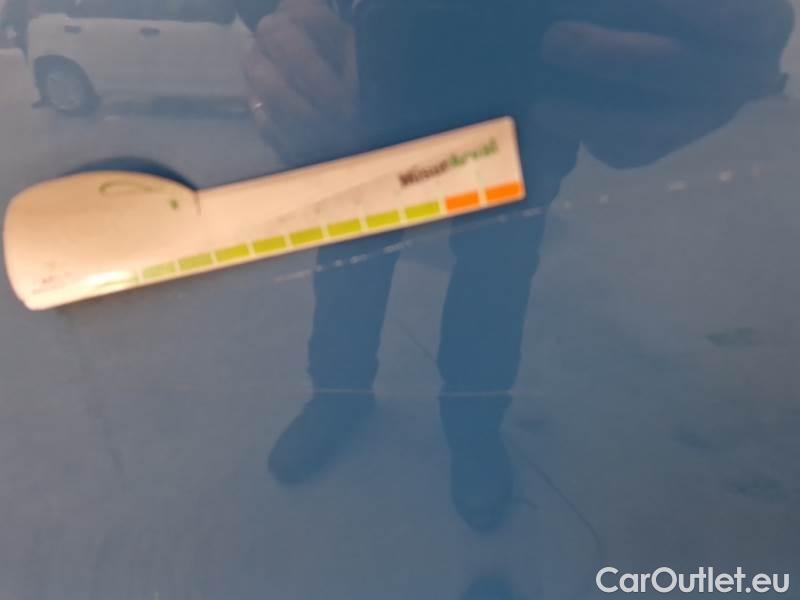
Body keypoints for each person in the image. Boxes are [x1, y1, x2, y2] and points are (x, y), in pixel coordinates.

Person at [244, 0, 794, 536]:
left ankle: (473, 431)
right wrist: (277, 14)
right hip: (377, 92)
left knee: (492, 288)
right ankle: (338, 398)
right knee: (352, 273)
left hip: (518, 119)